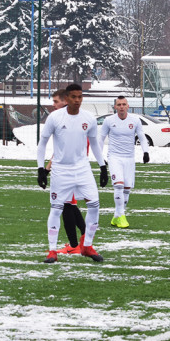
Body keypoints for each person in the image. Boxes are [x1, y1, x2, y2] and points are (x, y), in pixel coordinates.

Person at [37, 83, 108, 263]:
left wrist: (102, 166)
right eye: (74, 97)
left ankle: (87, 246)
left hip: (83, 169)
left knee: (94, 205)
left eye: (80, 97)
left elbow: (94, 143)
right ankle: (52, 251)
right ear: (67, 98)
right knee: (56, 209)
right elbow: (42, 143)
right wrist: (40, 169)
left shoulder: (89, 119)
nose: (77, 100)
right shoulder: (55, 118)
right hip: (61, 171)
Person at [46, 89, 87, 255]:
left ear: (65, 100)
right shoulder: (62, 118)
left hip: (72, 170)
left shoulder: (74, 119)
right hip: (67, 168)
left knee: (67, 206)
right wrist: (48, 166)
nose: (54, 105)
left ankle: (77, 244)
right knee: (69, 206)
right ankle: (82, 243)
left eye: (56, 101)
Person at [97, 95, 150, 228]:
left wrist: (146, 152)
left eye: (123, 104)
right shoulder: (109, 120)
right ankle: (121, 216)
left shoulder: (135, 120)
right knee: (119, 185)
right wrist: (100, 157)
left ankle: (117, 216)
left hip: (129, 158)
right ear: (115, 106)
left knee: (127, 188)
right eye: (119, 104)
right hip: (114, 157)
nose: (121, 107)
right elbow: (100, 139)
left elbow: (142, 138)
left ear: (128, 106)